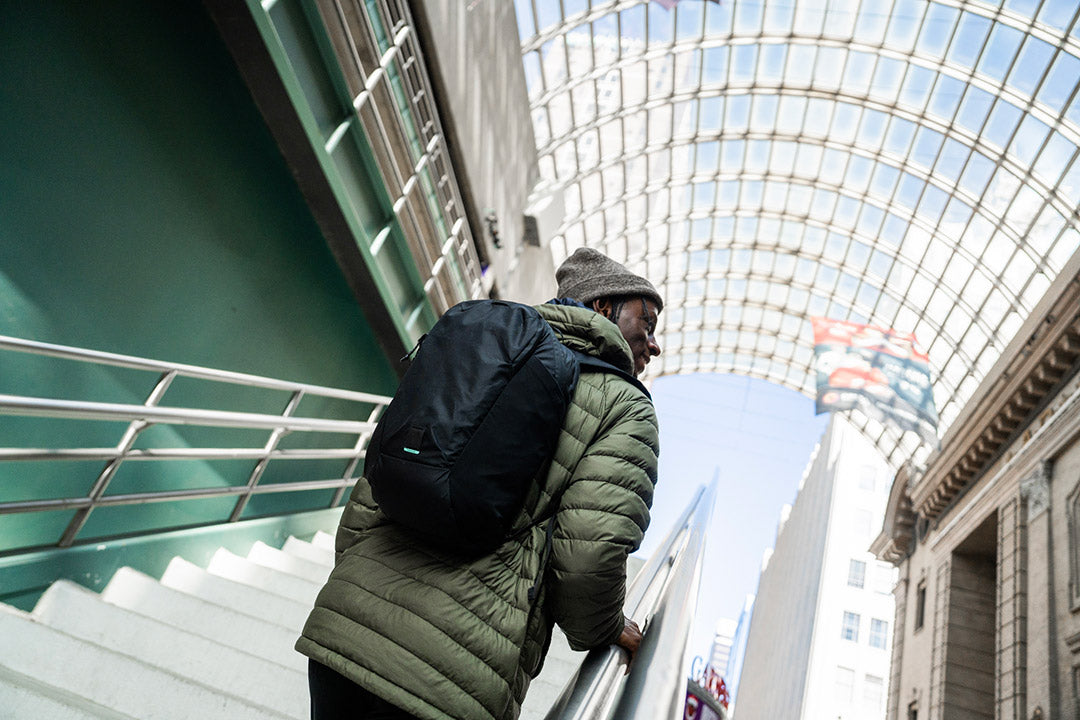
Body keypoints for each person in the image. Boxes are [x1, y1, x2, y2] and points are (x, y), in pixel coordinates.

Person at [296, 247, 663, 720]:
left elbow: (376, 483)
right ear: (602, 306)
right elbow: (588, 554)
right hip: (451, 677)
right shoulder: (625, 407)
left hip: (346, 629)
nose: (654, 345)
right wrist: (605, 628)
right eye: (647, 323)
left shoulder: (482, 344)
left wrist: (358, 587)